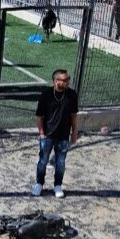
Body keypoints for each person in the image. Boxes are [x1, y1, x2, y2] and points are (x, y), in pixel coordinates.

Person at [32, 69, 79, 199]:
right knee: (43, 160)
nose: (66, 82)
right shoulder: (46, 95)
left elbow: (74, 115)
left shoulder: (72, 95)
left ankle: (57, 185)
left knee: (61, 162)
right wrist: (41, 133)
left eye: (67, 79)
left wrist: (74, 132)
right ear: (55, 81)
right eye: (63, 80)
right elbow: (39, 116)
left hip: (63, 136)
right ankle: (39, 183)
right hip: (47, 135)